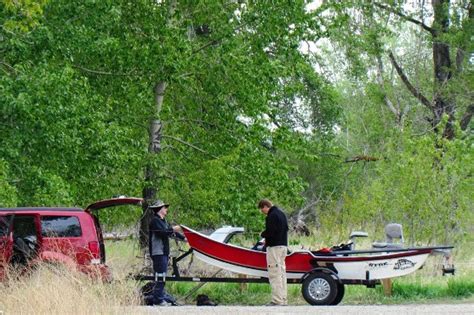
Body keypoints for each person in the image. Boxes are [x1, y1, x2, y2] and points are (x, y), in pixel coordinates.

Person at [148, 199, 185, 306]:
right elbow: (164, 233)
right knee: (160, 276)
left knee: (162, 275)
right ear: (160, 209)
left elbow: (170, 232)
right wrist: (175, 228)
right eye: (165, 207)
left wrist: (184, 238)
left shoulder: (163, 221)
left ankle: (159, 298)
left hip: (163, 252)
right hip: (158, 252)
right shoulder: (155, 221)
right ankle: (158, 300)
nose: (166, 209)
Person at [258, 199, 289, 306]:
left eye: (262, 210)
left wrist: (263, 234)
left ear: (265, 206)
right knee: (282, 273)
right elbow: (285, 229)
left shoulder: (271, 216)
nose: (263, 212)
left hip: (274, 247)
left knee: (274, 273)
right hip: (283, 246)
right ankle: (283, 298)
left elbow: (271, 232)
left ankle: (277, 300)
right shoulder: (282, 214)